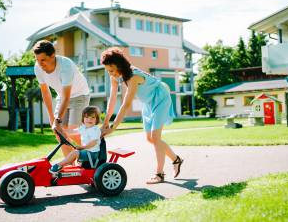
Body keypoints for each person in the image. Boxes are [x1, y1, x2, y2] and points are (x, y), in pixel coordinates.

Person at [100, 47, 184, 184]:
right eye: (108, 70)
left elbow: (126, 104)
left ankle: (159, 174)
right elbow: (113, 99)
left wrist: (113, 128)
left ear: (119, 66)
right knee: (151, 139)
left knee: (156, 137)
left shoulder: (133, 77)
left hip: (160, 97)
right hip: (148, 102)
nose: (111, 73)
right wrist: (105, 122)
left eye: (112, 70)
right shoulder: (115, 76)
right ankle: (176, 159)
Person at [33, 40, 90, 157]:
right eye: (37, 60)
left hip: (79, 95)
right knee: (59, 132)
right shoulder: (38, 68)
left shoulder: (65, 65)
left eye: (43, 60)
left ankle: (94, 153)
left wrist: (57, 120)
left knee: (73, 130)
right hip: (62, 96)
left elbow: (67, 96)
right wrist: (51, 117)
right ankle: (69, 164)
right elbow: (45, 92)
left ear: (52, 56)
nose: (40, 63)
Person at [50, 106, 102, 173]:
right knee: (74, 152)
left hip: (92, 154)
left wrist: (83, 147)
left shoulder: (95, 130)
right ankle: (65, 165)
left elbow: (93, 142)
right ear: (83, 119)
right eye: (86, 117)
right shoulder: (84, 128)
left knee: (75, 152)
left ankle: (59, 165)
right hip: (87, 151)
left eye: (92, 117)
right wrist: (62, 131)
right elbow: (74, 131)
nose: (89, 119)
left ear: (96, 119)